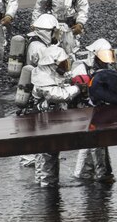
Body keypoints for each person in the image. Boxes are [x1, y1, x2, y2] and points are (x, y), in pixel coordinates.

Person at [30, 45, 84, 187]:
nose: (65, 66)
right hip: (44, 123)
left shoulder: (49, 74)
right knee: (47, 154)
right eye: (62, 63)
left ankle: (44, 187)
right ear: (53, 63)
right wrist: (78, 88)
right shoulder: (42, 78)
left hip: (50, 122)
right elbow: (59, 95)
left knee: (49, 154)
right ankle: (47, 188)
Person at [71, 39, 116, 183]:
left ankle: (98, 174)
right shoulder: (81, 68)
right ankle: (88, 175)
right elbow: (78, 93)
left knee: (99, 143)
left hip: (98, 112)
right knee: (91, 144)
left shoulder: (105, 70)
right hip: (84, 113)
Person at [19, 13, 60, 168]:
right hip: (36, 89)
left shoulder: (37, 43)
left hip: (34, 87)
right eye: (53, 31)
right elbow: (50, 67)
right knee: (36, 122)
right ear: (47, 31)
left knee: (35, 122)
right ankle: (29, 158)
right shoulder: (39, 48)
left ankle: (34, 156)